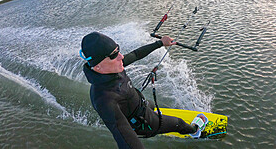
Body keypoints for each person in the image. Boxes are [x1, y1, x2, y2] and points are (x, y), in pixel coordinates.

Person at [80, 31, 208, 149]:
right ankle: (195, 130)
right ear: (98, 66)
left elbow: (135, 54)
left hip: (141, 105)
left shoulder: (113, 66)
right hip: (146, 123)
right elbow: (124, 137)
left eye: (118, 50)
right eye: (114, 55)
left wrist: (160, 43)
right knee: (179, 123)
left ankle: (153, 111)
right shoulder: (104, 100)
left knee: (150, 104)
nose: (121, 57)